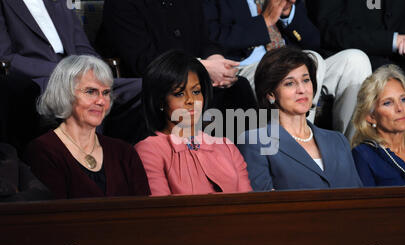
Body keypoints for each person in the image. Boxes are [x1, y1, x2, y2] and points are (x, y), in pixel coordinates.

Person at [202, 0, 372, 138]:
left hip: (294, 61)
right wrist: (265, 21)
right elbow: (212, 37)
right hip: (247, 67)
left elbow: (314, 40)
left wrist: (287, 15)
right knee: (310, 63)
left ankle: (351, 152)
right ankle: (301, 148)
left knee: (355, 59)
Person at [97, 0, 258, 140]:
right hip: (158, 86)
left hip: (197, 80)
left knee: (237, 87)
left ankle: (248, 162)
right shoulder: (121, 4)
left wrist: (215, 59)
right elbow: (143, 61)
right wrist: (202, 67)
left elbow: (207, 40)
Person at [306, 0, 405, 152]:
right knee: (364, 68)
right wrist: (395, 40)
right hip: (357, 64)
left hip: (401, 67)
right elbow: (332, 32)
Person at [0, 0, 142, 143]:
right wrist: (66, 71)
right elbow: (6, 58)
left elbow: (82, 47)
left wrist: (93, 70)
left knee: (144, 88)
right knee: (86, 96)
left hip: (82, 74)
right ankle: (93, 159)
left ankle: (128, 156)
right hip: (42, 79)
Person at [24, 55, 150, 199]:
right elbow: (54, 217)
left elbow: (145, 213)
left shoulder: (124, 152)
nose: (102, 101)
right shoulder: (43, 150)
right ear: (65, 93)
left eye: (106, 93)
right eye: (91, 92)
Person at [237, 47, 363, 191]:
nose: (302, 90)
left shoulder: (338, 141)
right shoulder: (256, 142)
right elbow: (262, 207)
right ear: (271, 94)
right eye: (290, 83)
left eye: (306, 80)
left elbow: (358, 198)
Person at [134, 50, 253, 196]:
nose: (191, 100)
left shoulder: (226, 146)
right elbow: (161, 213)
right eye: (179, 93)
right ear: (160, 101)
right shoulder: (149, 150)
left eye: (196, 91)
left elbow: (247, 204)